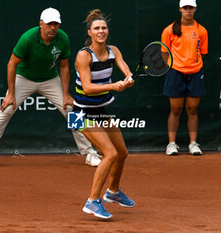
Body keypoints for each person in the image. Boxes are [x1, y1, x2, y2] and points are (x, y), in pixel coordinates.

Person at [0, 7, 102, 168]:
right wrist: (11, 93)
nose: (53, 28)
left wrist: (65, 94)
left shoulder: (63, 38)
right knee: (6, 110)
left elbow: (64, 66)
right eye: (49, 24)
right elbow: (12, 64)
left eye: (56, 24)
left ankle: (89, 153)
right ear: (41, 24)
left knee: (72, 111)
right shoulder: (28, 38)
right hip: (24, 78)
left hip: (50, 79)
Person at [74, 9, 135, 219]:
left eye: (104, 28)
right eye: (97, 28)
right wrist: (114, 86)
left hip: (100, 110)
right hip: (81, 113)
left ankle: (113, 192)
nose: (101, 31)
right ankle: (92, 202)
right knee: (110, 154)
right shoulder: (84, 55)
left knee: (122, 152)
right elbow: (88, 87)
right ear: (90, 33)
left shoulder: (113, 51)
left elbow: (123, 66)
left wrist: (128, 77)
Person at [161, 0, 208, 156]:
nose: (188, 10)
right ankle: (171, 144)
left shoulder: (201, 31)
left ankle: (193, 144)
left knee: (192, 109)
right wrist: (171, 67)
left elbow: (202, 52)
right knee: (175, 109)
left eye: (191, 8)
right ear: (180, 9)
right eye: (185, 8)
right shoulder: (169, 30)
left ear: (195, 9)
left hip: (195, 72)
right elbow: (164, 52)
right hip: (175, 73)